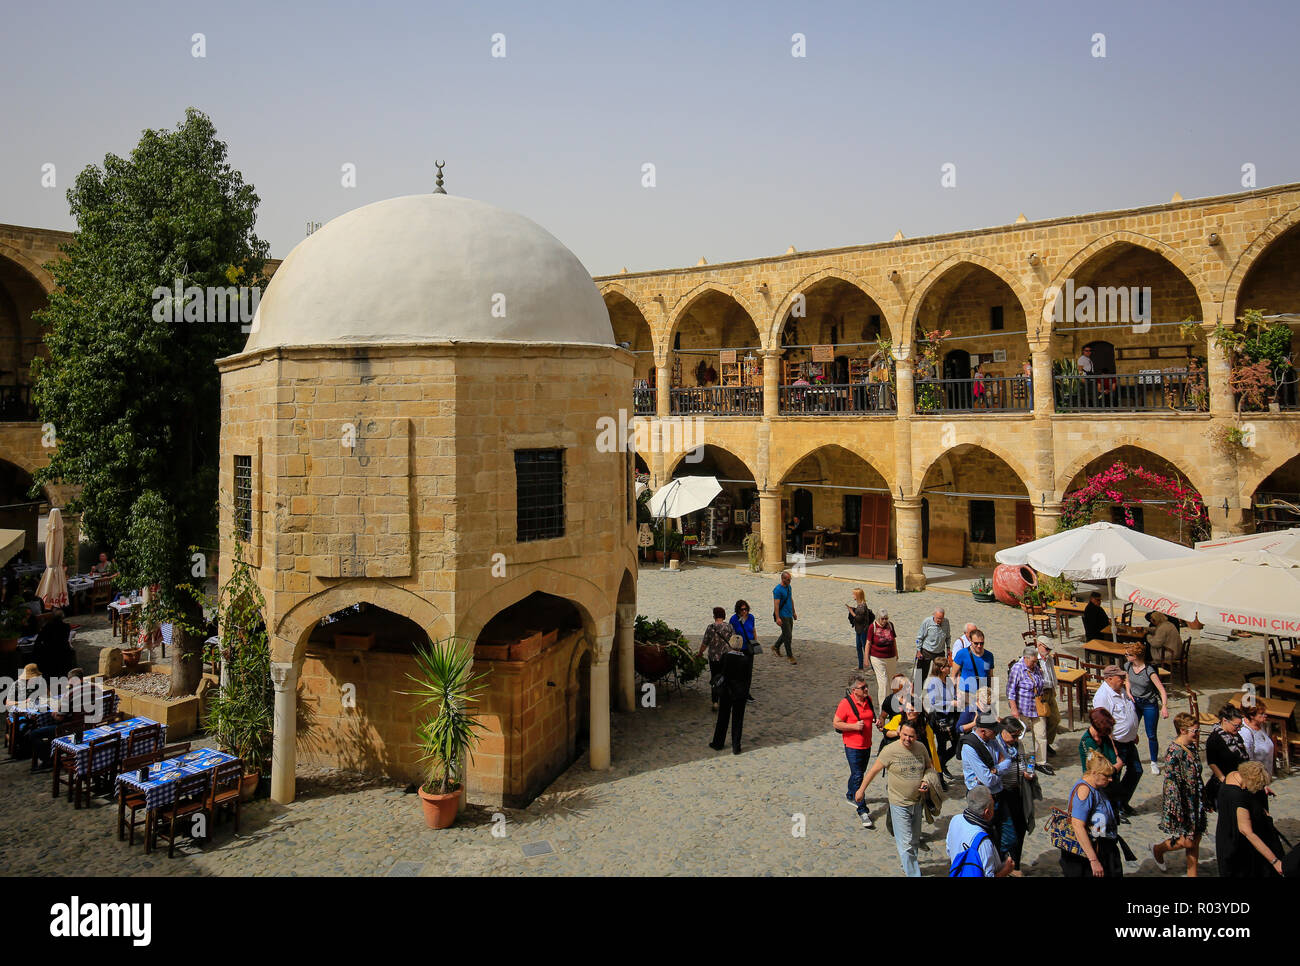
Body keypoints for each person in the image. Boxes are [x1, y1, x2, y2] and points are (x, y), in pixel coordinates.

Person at [855, 719, 939, 877]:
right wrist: (861, 790)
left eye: (911, 736)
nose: (907, 739)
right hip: (899, 804)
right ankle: (914, 874)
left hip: (917, 802)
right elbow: (873, 771)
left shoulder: (921, 748)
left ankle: (907, 864)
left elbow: (930, 768)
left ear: (916, 736)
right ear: (899, 732)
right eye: (904, 735)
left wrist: (926, 781)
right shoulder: (890, 750)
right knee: (906, 842)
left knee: (914, 840)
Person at [1153, 712, 1206, 876]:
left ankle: (1192, 874)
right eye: (1194, 731)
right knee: (1187, 841)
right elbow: (1170, 782)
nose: (1197, 734)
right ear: (1183, 730)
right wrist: (1175, 807)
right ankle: (1159, 849)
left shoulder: (1192, 747)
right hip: (1183, 801)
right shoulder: (1174, 751)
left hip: (1195, 799)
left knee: (1195, 838)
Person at [1216, 762, 1284, 877]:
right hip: (1237, 849)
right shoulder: (1238, 797)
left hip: (1226, 837)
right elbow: (1247, 832)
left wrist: (1263, 787)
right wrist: (1274, 861)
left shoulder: (1233, 775)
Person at [1062, 752, 1123, 877]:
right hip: (1090, 852)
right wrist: (1094, 860)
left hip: (1104, 847)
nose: (1110, 779)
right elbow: (1077, 825)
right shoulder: (1084, 790)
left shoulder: (1097, 787)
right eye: (1107, 776)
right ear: (1094, 773)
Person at [1092, 664, 1141, 819]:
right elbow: (1102, 724)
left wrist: (1133, 732)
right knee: (1114, 777)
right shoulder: (1102, 696)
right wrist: (1112, 748)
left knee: (1136, 770)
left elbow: (1127, 712)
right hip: (1116, 743)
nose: (1123, 680)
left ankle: (1123, 801)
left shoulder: (1121, 691)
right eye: (1120, 677)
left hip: (1129, 741)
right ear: (1109, 678)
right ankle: (1116, 808)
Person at [834, 672, 876, 828]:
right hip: (852, 746)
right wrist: (852, 726)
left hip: (867, 744)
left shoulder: (868, 700)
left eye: (866, 686)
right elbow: (836, 723)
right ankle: (863, 810)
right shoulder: (845, 704)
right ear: (854, 690)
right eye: (862, 687)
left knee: (858, 773)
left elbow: (869, 715)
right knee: (859, 776)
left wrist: (875, 721)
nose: (866, 689)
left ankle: (851, 794)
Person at [946, 786, 1014, 877]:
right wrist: (1006, 870)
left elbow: (949, 851)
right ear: (987, 812)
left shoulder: (955, 820)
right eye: (993, 806)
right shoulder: (983, 842)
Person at [1006, 644, 1054, 774]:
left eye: (1035, 661)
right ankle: (1016, 759)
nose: (1034, 664)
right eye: (1032, 661)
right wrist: (1014, 709)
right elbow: (1010, 691)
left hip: (1037, 707)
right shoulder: (1017, 669)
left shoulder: (1036, 668)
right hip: (1022, 708)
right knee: (1018, 736)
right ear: (1026, 658)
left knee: (1041, 734)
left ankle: (1041, 761)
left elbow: (1041, 683)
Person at [1122, 642, 1168, 774]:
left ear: (1135, 656)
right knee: (1129, 729)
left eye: (1128, 654)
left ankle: (1154, 762)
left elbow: (1161, 690)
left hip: (1149, 704)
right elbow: (1128, 680)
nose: (1125, 656)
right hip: (1135, 702)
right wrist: (1128, 692)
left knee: (1151, 734)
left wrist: (1164, 706)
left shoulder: (1149, 671)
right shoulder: (1128, 666)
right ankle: (1127, 757)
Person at [993, 717, 1032, 874]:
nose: (1016, 739)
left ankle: (1016, 865)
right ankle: (1003, 865)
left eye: (1018, 736)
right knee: (1007, 833)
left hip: (1019, 791)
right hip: (1003, 793)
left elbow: (1023, 761)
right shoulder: (996, 746)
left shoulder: (1018, 744)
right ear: (1003, 731)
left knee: (1020, 827)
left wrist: (1028, 772)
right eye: (1013, 736)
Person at [708, 635, 752, 755]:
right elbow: (748, 678)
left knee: (723, 718)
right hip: (740, 692)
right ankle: (736, 746)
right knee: (738, 720)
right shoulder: (746, 660)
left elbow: (722, 673)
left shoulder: (726, 657)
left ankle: (718, 743)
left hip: (727, 691)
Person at [1203, 704, 1248, 805]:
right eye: (1236, 726)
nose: (1239, 729)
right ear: (1224, 720)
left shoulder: (1236, 736)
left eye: (1240, 726)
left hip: (1241, 780)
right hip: (1227, 782)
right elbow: (1212, 763)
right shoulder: (1214, 739)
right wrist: (1225, 782)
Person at [923, 657, 958, 779]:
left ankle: (941, 764)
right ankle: (939, 775)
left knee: (956, 745)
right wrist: (951, 703)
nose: (950, 667)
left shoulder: (948, 681)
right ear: (941, 669)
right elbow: (934, 702)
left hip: (951, 717)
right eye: (947, 666)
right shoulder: (933, 682)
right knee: (942, 746)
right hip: (939, 718)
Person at [696, 607, 734, 712]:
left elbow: (705, 643)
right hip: (726, 656)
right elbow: (734, 641)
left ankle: (715, 702)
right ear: (724, 615)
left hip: (713, 657)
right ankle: (724, 699)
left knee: (714, 678)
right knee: (724, 677)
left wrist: (700, 653)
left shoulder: (710, 627)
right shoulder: (729, 627)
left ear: (714, 616)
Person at [1035, 637, 1062, 757]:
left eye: (1049, 649)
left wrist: (1054, 686)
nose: (1048, 651)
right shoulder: (1034, 659)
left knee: (1055, 719)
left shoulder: (1049, 659)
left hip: (1050, 691)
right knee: (1041, 723)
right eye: (1046, 648)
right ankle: (1041, 750)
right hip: (1041, 694)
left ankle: (1047, 743)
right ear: (1039, 645)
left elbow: (1052, 673)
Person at [948, 631, 994, 701]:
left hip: (982, 694)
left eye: (982, 643)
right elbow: (953, 675)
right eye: (976, 643)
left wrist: (991, 692)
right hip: (965, 693)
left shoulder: (989, 656)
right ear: (970, 641)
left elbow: (990, 676)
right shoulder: (962, 654)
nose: (979, 646)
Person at [866, 609, 898, 705]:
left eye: (886, 618)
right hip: (877, 658)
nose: (884, 621)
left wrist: (897, 653)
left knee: (891, 682)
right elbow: (868, 643)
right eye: (882, 619)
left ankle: (890, 704)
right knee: (883, 683)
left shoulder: (890, 625)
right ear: (878, 618)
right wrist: (866, 658)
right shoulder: (873, 627)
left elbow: (894, 640)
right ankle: (883, 709)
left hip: (891, 657)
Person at [33, 609, 74, 681]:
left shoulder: (47, 627)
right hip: (63, 652)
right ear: (62, 617)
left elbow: (38, 641)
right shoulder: (66, 627)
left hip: (50, 653)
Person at [1239, 703, 1276, 781]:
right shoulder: (1245, 732)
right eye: (1261, 714)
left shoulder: (1262, 725)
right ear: (1252, 716)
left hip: (1265, 775)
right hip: (1254, 778)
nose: (1265, 715)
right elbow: (1248, 760)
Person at [913, 608, 950, 685]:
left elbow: (948, 637)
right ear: (933, 615)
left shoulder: (946, 622)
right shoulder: (927, 622)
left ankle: (941, 692)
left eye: (941, 618)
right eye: (938, 618)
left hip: (939, 652)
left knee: (942, 674)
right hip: (927, 651)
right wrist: (918, 651)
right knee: (921, 674)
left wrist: (948, 648)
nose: (940, 620)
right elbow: (920, 637)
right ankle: (916, 694)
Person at [771, 570, 797, 665]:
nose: (790, 581)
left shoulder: (789, 587)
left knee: (787, 633)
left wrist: (794, 612)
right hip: (783, 615)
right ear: (783, 579)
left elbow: (790, 599)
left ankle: (776, 646)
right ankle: (790, 656)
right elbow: (776, 605)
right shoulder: (777, 590)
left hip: (789, 614)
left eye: (790, 579)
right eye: (788, 580)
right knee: (788, 636)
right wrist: (778, 618)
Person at [846, 588, 873, 670]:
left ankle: (873, 668)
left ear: (857, 596)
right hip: (859, 630)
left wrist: (851, 611)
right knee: (858, 647)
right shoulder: (860, 605)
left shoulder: (862, 606)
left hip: (863, 631)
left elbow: (859, 618)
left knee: (866, 649)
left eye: (854, 594)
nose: (852, 596)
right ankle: (860, 666)